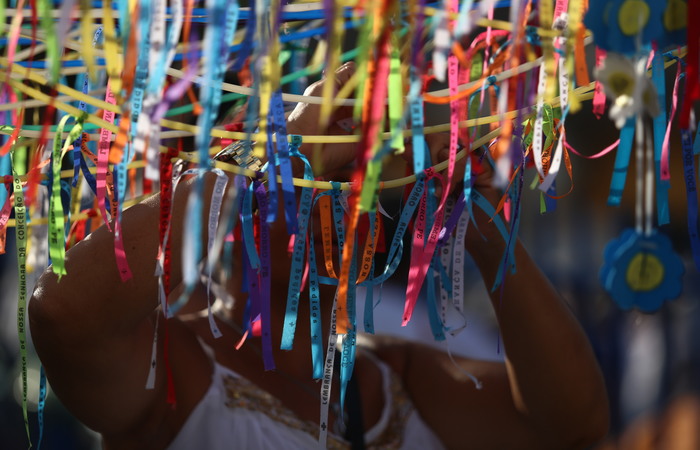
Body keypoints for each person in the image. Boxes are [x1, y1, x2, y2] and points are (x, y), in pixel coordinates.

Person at [29, 63, 609, 449]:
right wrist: (289, 138)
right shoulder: (171, 368)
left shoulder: (401, 382)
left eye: (352, 178)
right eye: (299, 176)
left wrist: (479, 228)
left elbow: (571, 434)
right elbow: (62, 314)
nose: (332, 200)